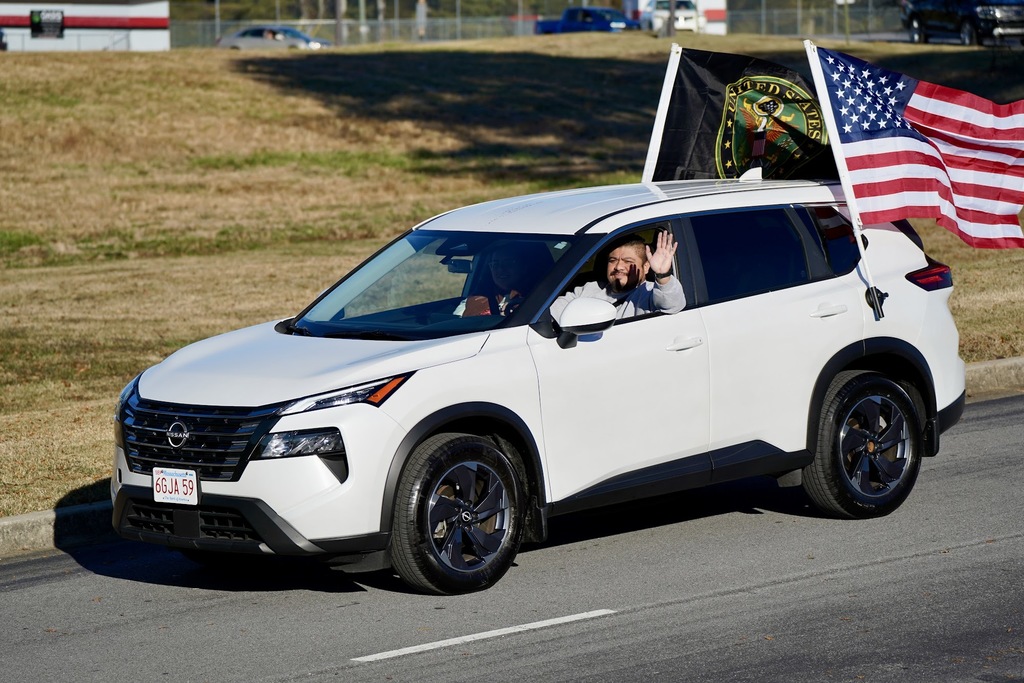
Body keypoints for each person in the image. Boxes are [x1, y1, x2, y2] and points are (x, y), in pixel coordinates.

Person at [549, 231, 685, 321]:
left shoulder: (649, 293)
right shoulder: (590, 289)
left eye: (628, 262)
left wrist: (662, 274)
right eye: (612, 260)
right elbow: (553, 310)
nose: (618, 266)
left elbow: (673, 305)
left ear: (646, 267)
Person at [458, 242, 551, 317]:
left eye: (508, 263)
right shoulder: (475, 300)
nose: (500, 269)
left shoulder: (543, 300)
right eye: (495, 264)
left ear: (524, 266)